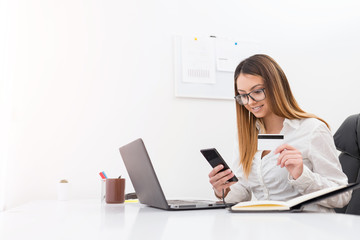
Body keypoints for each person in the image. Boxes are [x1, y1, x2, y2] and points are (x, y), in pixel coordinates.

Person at [208, 54, 350, 212]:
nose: (250, 102)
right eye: (243, 95)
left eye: (257, 91)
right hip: (266, 228)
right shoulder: (247, 135)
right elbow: (243, 191)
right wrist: (224, 189)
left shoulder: (312, 129)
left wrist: (302, 174)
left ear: (276, 87)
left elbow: (342, 197)